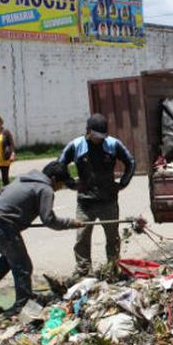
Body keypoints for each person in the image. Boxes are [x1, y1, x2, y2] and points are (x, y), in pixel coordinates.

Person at [0, 162, 82, 313]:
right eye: (61, 184)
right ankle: (22, 305)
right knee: (23, 266)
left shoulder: (26, 178)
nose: (60, 188)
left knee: (11, 257)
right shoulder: (45, 189)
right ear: (53, 179)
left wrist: (7, 212)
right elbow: (49, 219)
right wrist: (71, 223)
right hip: (3, 225)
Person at [59, 114, 135, 277]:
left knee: (113, 238)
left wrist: (123, 183)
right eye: (96, 136)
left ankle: (112, 268)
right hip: (85, 203)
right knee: (82, 238)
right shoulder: (76, 145)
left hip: (109, 201)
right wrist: (71, 184)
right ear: (88, 131)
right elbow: (60, 164)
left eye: (102, 136)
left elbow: (131, 163)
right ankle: (83, 271)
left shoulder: (113, 144)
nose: (99, 140)